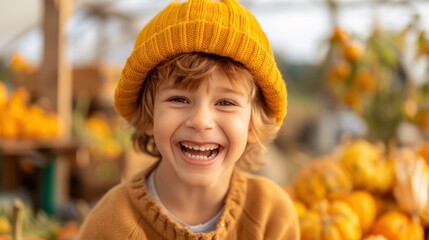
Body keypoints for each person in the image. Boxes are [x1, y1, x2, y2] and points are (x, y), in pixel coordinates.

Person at [78, 0, 299, 239]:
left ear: (252, 125)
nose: (201, 121)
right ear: (149, 117)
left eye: (226, 103)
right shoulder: (111, 224)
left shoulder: (272, 215)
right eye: (179, 100)